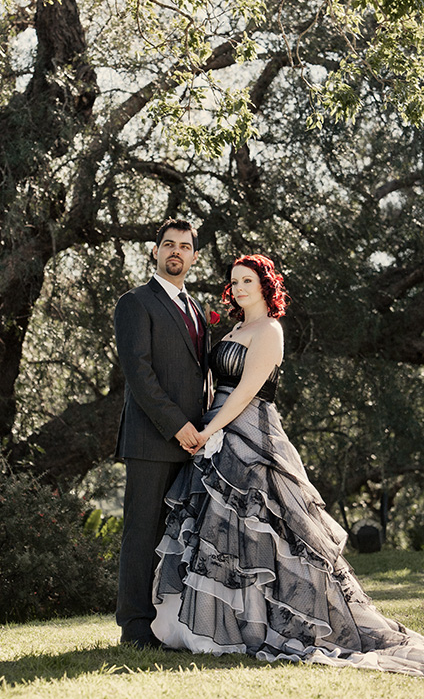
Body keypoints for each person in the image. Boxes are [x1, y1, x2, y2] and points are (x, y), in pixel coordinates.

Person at [151, 254, 424, 676]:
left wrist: (210, 430)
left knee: (264, 531)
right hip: (215, 433)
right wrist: (202, 429)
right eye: (235, 282)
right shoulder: (235, 329)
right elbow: (214, 384)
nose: (240, 288)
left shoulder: (270, 330)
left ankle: (269, 623)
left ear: (265, 286)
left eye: (248, 281)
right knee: (222, 536)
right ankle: (217, 627)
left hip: (250, 432)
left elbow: (245, 392)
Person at [114, 218, 211, 648]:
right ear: (155, 252)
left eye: (184, 246)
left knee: (178, 537)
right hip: (152, 441)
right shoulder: (135, 303)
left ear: (193, 255)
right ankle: (134, 627)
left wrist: (204, 429)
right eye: (168, 245)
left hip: (193, 445)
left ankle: (170, 625)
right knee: (142, 534)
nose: (176, 252)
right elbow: (140, 375)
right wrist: (178, 427)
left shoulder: (195, 309)